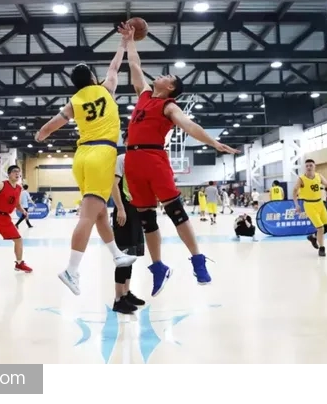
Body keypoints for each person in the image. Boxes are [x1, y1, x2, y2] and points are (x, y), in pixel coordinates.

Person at [119, 22, 238, 297]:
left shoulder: (168, 106)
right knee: (147, 220)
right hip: (133, 161)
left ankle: (197, 259)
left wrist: (213, 142)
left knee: (176, 213)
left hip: (154, 158)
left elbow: (189, 125)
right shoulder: (144, 95)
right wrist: (129, 40)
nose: (160, 75)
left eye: (167, 75)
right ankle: (158, 267)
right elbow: (135, 64)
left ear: (170, 86)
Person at [35, 33, 137, 296]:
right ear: (92, 78)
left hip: (81, 157)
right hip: (102, 154)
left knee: (100, 212)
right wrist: (122, 44)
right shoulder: (106, 89)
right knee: (88, 216)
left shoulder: (74, 101)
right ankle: (71, 269)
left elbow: (50, 126)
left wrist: (40, 135)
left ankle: (116, 255)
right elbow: (114, 67)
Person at [109, 131, 146, 314]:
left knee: (131, 255)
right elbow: (113, 185)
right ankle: (118, 299)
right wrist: (120, 208)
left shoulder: (141, 161)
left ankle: (126, 292)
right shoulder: (122, 159)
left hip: (136, 212)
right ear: (125, 142)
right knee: (123, 257)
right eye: (130, 139)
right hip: (124, 211)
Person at [293, 159, 327, 257]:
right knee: (320, 228)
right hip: (309, 205)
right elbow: (294, 191)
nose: (309, 167)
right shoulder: (301, 179)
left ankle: (313, 237)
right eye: (307, 166)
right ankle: (322, 248)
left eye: (311, 165)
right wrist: (296, 204)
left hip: (320, 203)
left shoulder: (319, 176)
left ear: (314, 166)